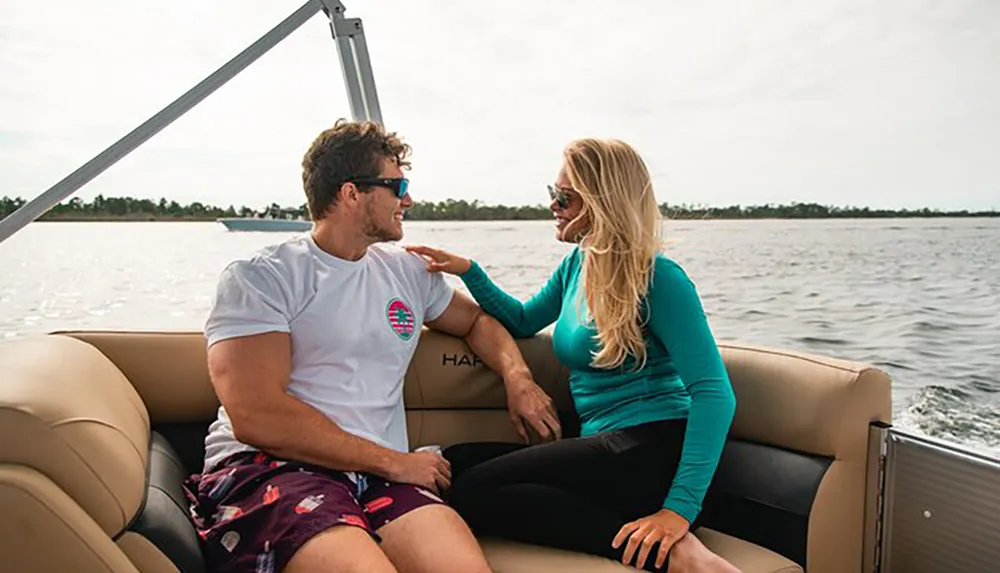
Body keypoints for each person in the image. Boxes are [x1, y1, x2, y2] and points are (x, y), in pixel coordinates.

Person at [183, 119, 562, 573]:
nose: (409, 200)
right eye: (397, 185)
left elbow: (477, 321)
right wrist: (396, 462)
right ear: (351, 194)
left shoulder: (406, 272)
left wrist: (517, 378)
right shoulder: (263, 277)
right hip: (273, 467)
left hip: (380, 473)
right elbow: (256, 414)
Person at [405, 138, 740, 572]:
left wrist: (678, 511)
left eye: (564, 197)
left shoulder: (659, 278)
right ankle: (640, 533)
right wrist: (470, 272)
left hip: (653, 449)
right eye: (553, 193)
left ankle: (673, 553)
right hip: (603, 448)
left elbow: (715, 395)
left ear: (601, 202)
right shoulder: (577, 266)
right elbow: (523, 320)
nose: (553, 205)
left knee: (473, 489)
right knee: (454, 461)